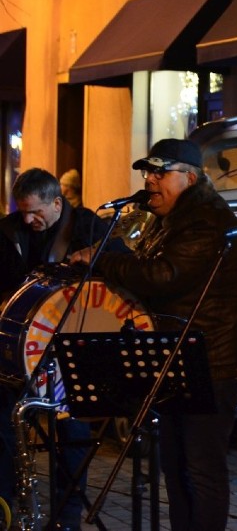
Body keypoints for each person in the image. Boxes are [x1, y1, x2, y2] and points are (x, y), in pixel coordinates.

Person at [69, 139, 237, 531]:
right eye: (147, 172)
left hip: (213, 362)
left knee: (201, 466)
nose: (149, 180)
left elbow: (163, 276)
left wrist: (104, 262)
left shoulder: (205, 220)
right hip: (179, 355)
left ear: (188, 178)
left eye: (159, 172)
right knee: (175, 466)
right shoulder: (172, 218)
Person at [0, 168, 120, 531]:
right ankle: (6, 503)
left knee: (71, 432)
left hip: (70, 344)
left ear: (57, 202)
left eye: (35, 211)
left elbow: (119, 270)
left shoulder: (87, 228)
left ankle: (66, 516)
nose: (28, 219)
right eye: (22, 211)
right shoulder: (8, 231)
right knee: (4, 422)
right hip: (17, 345)